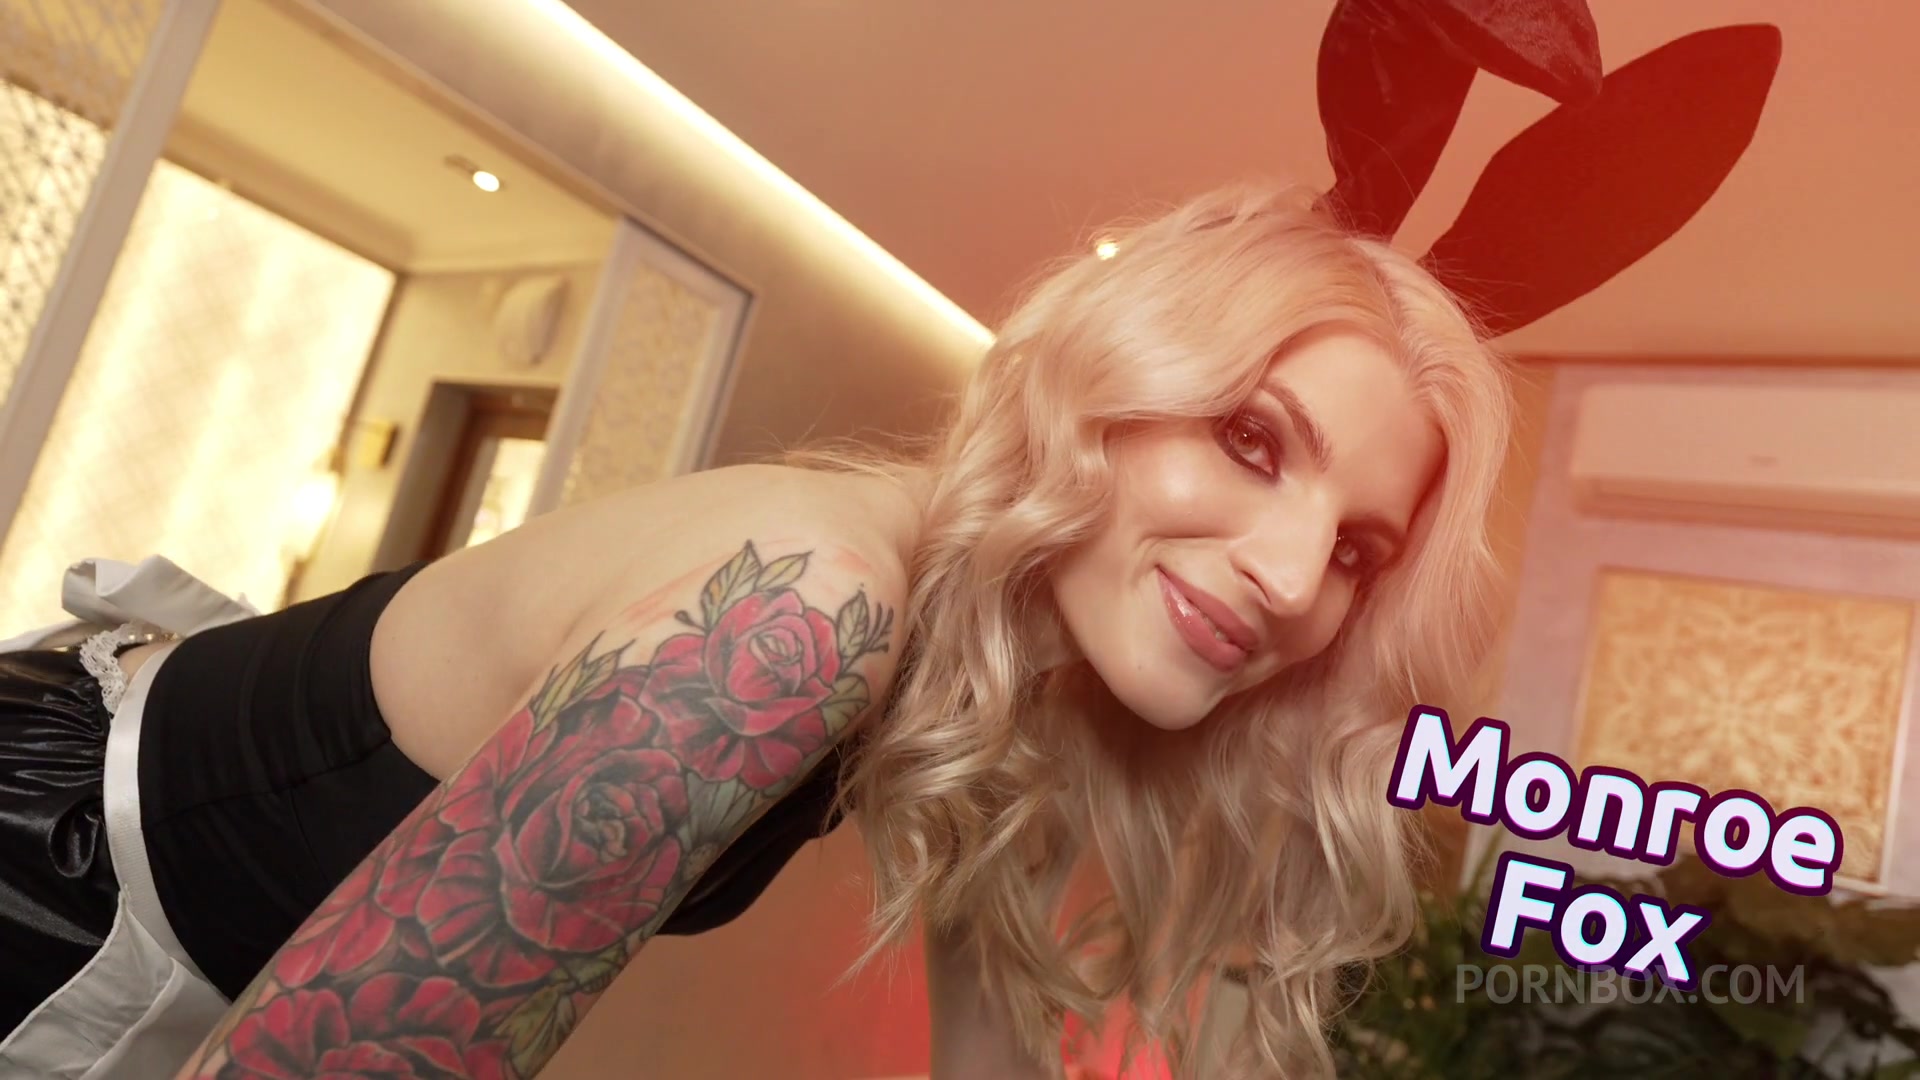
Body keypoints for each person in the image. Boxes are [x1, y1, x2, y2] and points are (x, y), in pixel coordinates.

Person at [0, 182, 1512, 1079]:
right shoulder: (803, 603)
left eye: (1357, 552)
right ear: (1114, 381)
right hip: (55, 881)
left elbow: (994, 1053)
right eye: (1252, 441)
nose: (1292, 577)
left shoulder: (1014, 682)